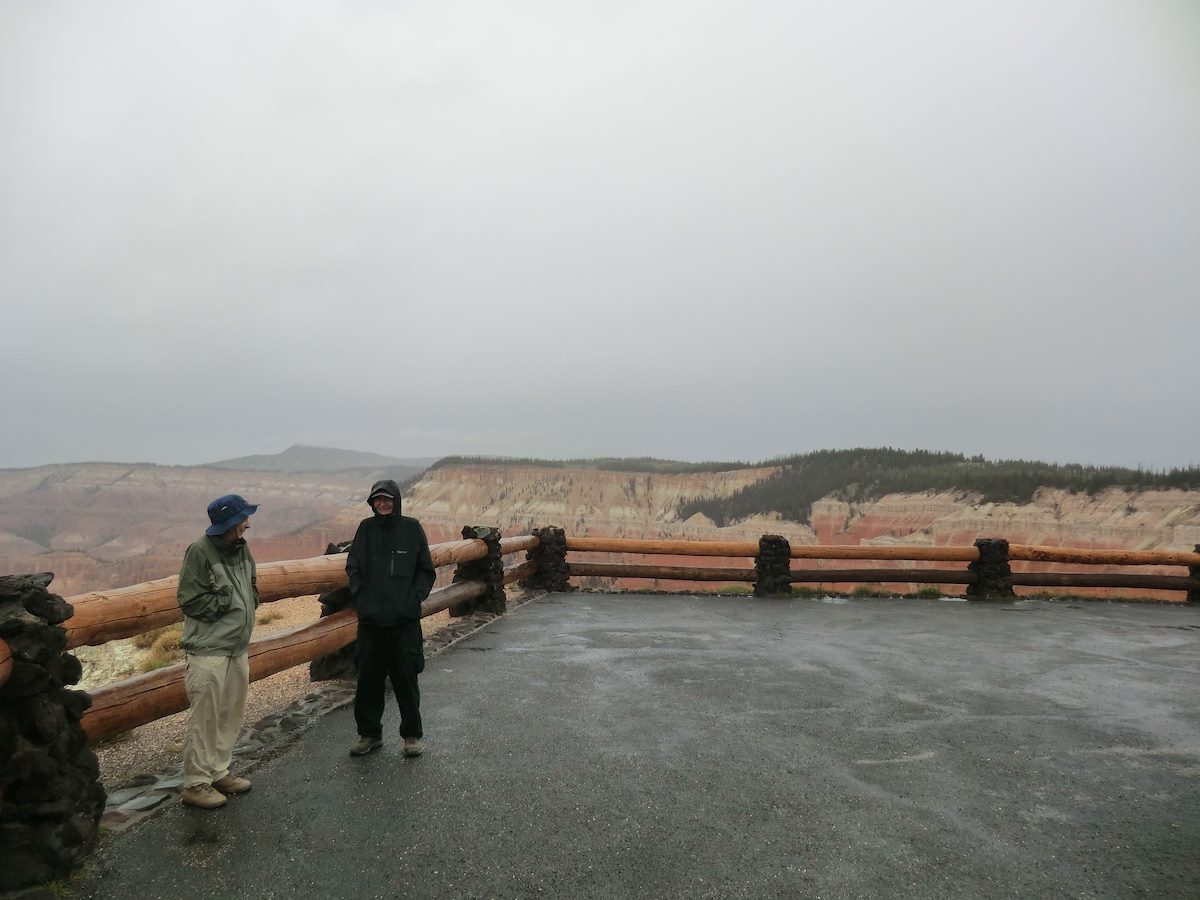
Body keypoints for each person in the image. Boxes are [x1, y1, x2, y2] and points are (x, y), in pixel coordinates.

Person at [176, 493, 260, 809]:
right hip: (208, 648)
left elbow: (250, 581)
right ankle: (195, 784)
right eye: (242, 519)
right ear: (229, 523)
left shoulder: (241, 547)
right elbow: (190, 599)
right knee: (205, 718)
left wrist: (251, 599)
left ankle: (218, 772)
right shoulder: (199, 551)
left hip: (236, 646)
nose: (248, 524)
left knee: (230, 713)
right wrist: (230, 604)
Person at [346, 479, 436, 757]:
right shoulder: (366, 529)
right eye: (378, 500)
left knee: (406, 678)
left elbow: (425, 569)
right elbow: (353, 566)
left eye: (387, 499)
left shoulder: (411, 528)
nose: (383, 504)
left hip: (404, 621)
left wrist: (413, 599)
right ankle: (369, 734)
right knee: (368, 680)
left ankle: (412, 736)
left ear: (397, 501)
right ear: (372, 503)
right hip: (372, 622)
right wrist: (362, 598)